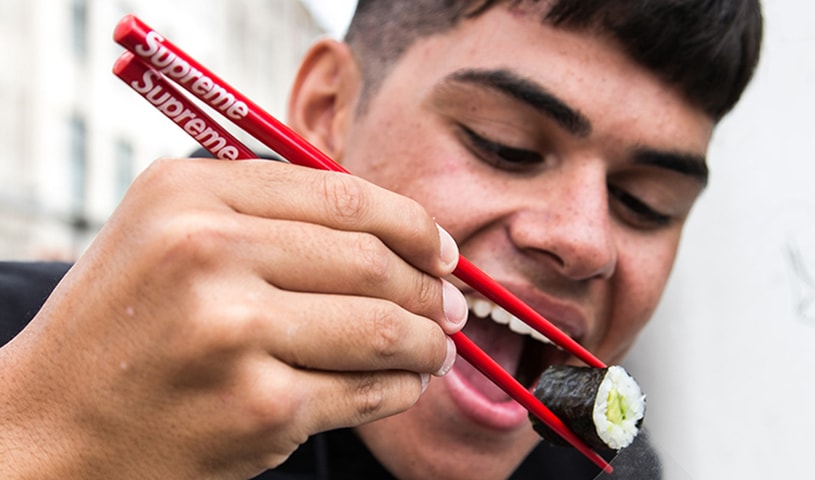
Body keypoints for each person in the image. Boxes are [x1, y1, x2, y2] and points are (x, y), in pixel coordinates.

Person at [0, 0, 763, 478]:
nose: (585, 241)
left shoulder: (609, 464)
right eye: (504, 145)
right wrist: (48, 438)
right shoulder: (21, 337)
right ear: (329, 110)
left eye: (645, 202)